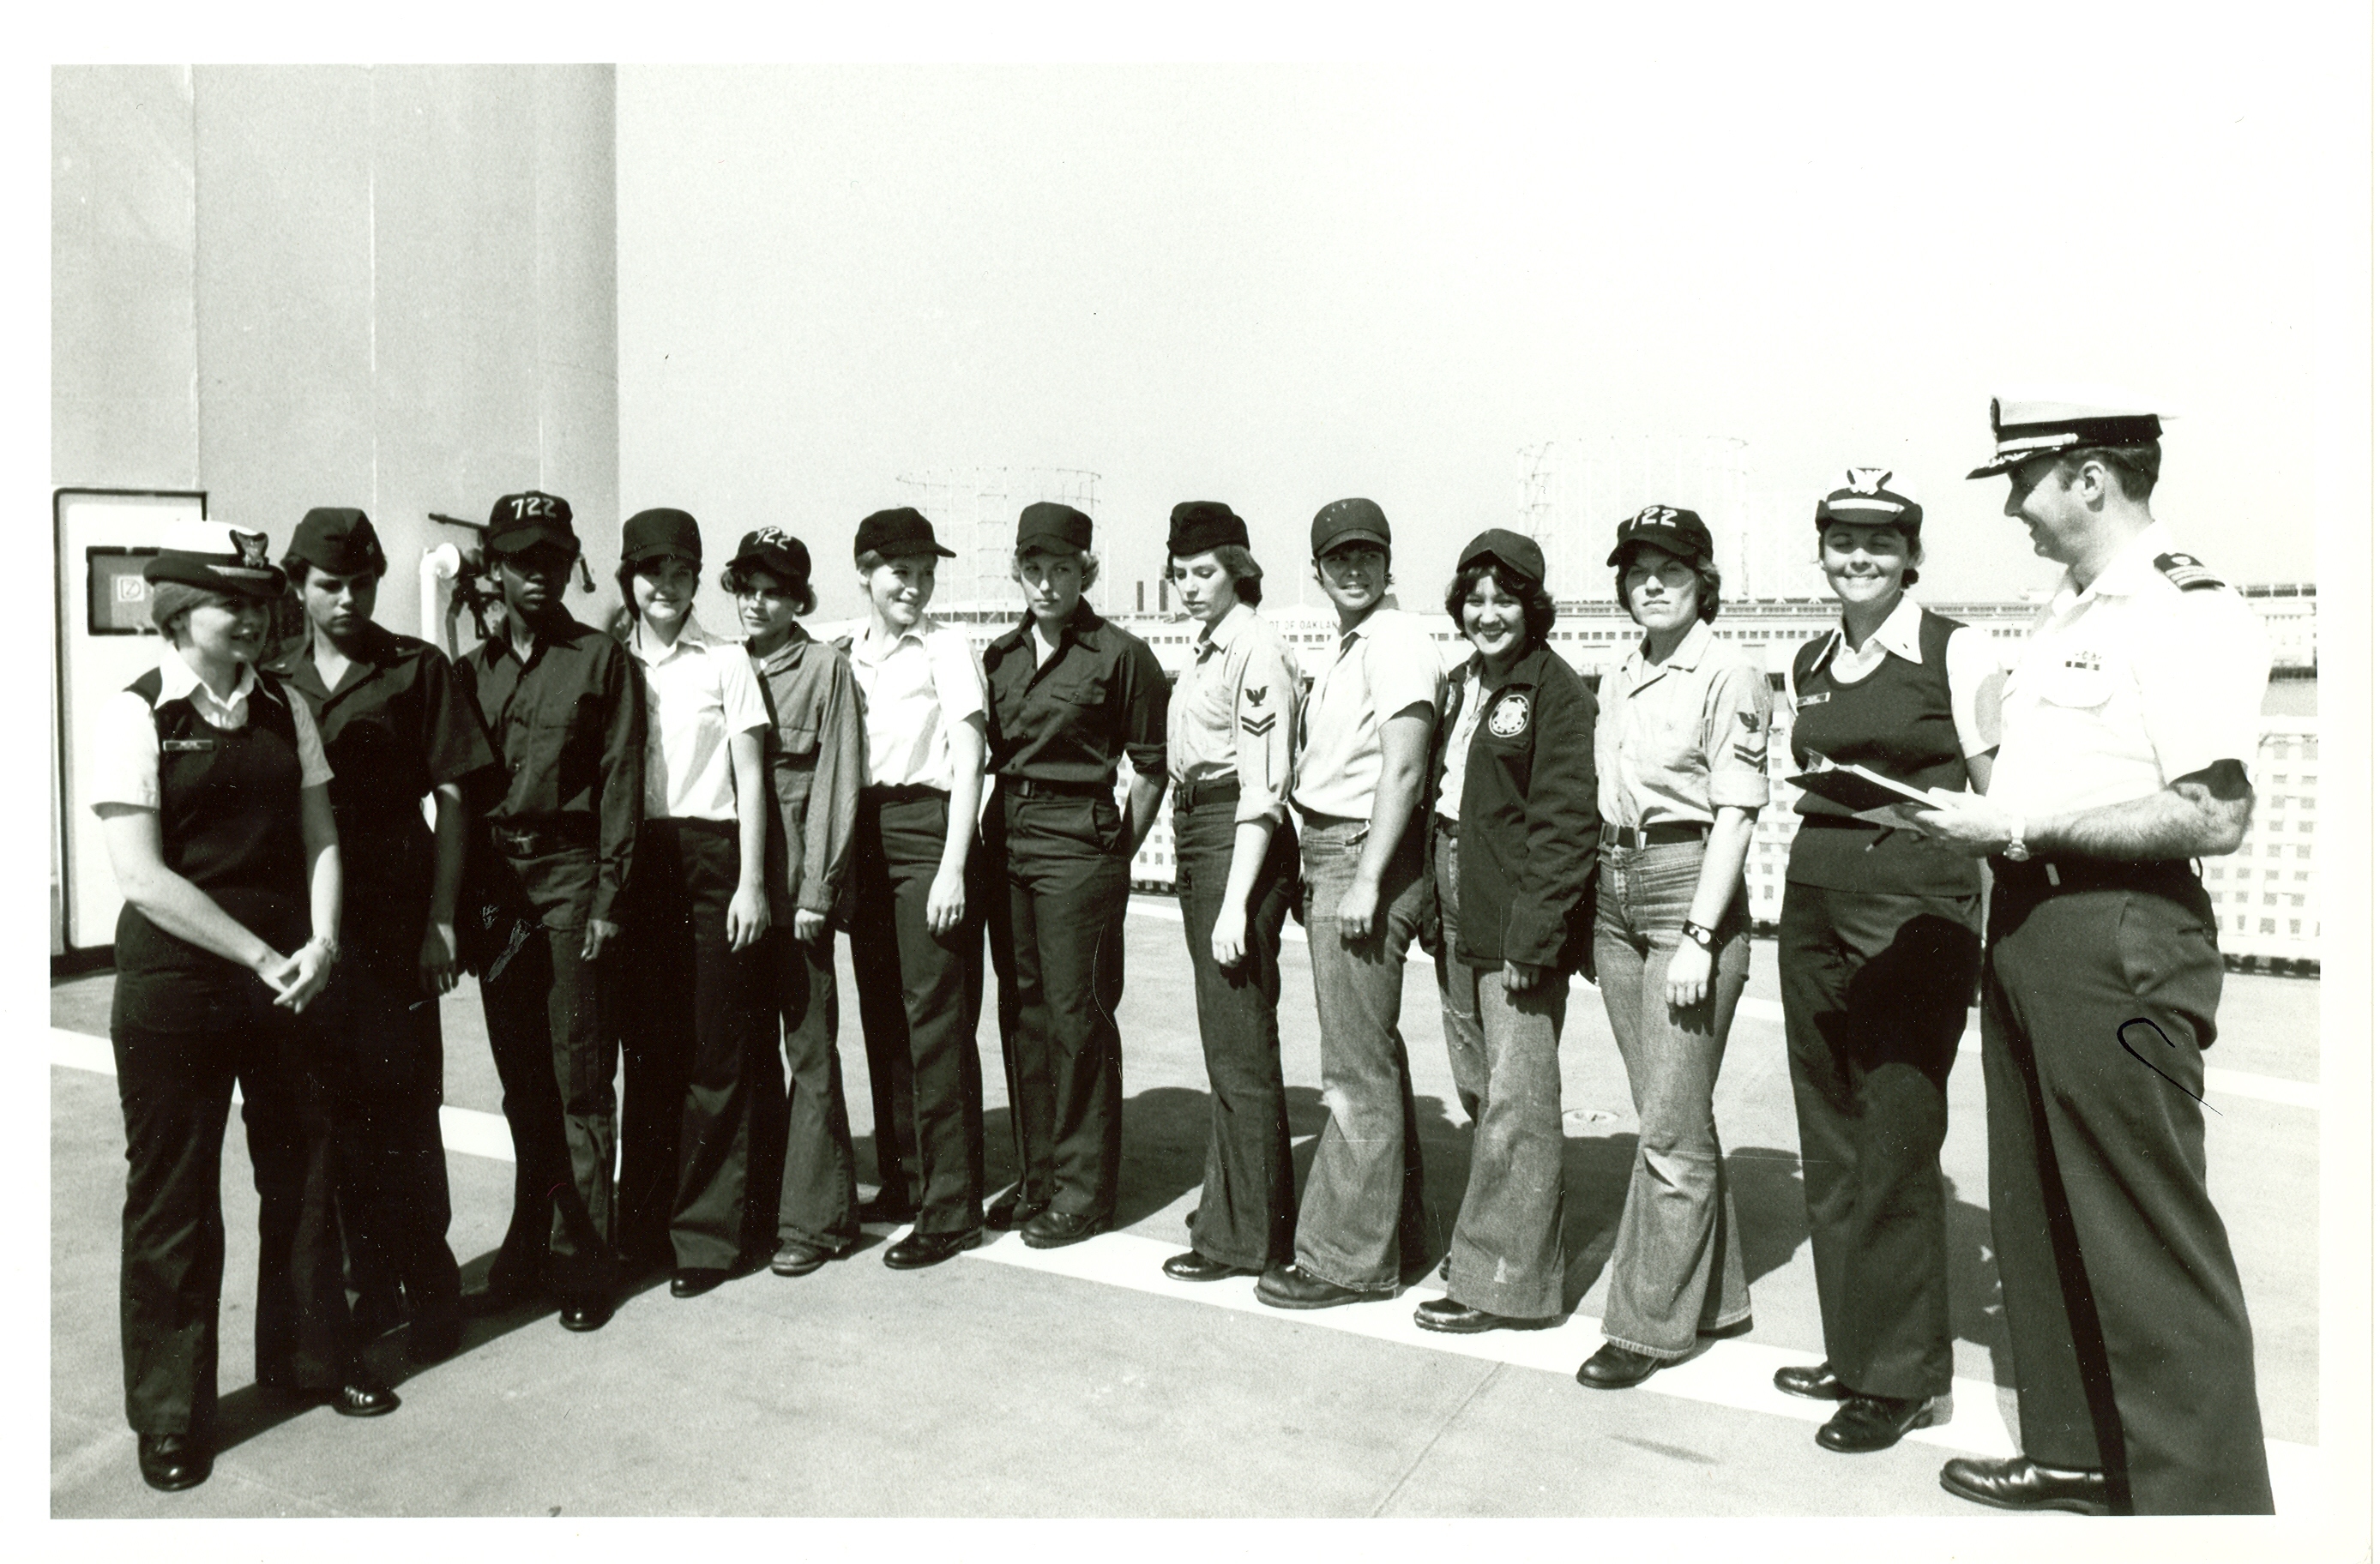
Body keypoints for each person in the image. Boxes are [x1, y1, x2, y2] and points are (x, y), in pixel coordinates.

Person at [1900, 396, 2274, 1516]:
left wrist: (2018, 830)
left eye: (2020, 482)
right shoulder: (2066, 606)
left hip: (2115, 933)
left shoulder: (2179, 608)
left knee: (2145, 1244)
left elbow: (2209, 813)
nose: (2010, 507)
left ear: (2086, 479)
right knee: (2038, 1211)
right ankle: (2070, 1451)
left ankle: (2200, 1513)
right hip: (2026, 929)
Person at [92, 522, 398, 1494]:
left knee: (306, 1175)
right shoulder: (135, 715)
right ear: (182, 615)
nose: (258, 624)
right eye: (237, 608)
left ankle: (310, 1358)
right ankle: (173, 1416)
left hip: (290, 979)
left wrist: (326, 943)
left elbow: (321, 833)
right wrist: (265, 953)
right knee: (175, 1202)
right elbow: (141, 876)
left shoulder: (283, 708)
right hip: (179, 988)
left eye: (266, 607)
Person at [1768, 472, 2001, 1453]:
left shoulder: (1958, 648)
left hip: (1915, 911)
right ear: (1820, 551)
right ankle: (1854, 1347)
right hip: (1816, 899)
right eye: (1841, 541)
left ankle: (1900, 1379)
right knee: (1830, 1133)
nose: (1858, 558)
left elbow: (1999, 791)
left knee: (1896, 1130)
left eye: (1880, 542)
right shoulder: (1809, 657)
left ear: (1912, 556)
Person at [269, 508, 495, 1368]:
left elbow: (456, 798)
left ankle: (430, 1291)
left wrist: (442, 918)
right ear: (299, 586)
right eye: (330, 585)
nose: (348, 599)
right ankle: (368, 1291)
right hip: (312, 929)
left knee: (405, 1108)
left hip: (399, 922)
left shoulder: (416, 668)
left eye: (362, 583)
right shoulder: (273, 676)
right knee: (334, 1116)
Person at [1576, 505, 1771, 1390]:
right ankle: (1718, 1300)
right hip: (1616, 889)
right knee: (1670, 1110)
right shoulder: (1620, 669)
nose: (1651, 584)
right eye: (1637, 570)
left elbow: (1737, 810)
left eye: (1672, 570)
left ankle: (1649, 1325)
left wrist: (1699, 931)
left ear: (1704, 582)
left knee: (1666, 1126)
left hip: (1688, 885)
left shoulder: (1730, 670)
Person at [452, 490, 643, 1332]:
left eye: (553, 558)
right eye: (522, 558)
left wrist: (609, 896)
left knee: (578, 1079)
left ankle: (584, 1258)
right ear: (494, 567)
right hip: (497, 891)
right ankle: (529, 1242)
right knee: (521, 1084)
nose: (539, 572)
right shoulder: (468, 673)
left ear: (571, 566)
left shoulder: (601, 662)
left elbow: (620, 785)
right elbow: (455, 800)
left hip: (570, 880)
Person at [1260, 497, 1442, 1309]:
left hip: (1362, 854)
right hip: (1333, 849)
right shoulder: (1346, 645)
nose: (1355, 569)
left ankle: (1344, 1261)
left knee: (1353, 1070)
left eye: (1368, 556)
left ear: (1388, 561)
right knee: (1372, 1055)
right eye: (1339, 559)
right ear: (1318, 570)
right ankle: (1400, 1235)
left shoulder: (1395, 641)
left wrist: (1367, 879)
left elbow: (1402, 770)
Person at [1416, 529, 1600, 1334]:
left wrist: (1534, 938)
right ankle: (1494, 1240)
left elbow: (1563, 825)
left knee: (1518, 1098)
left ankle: (1508, 1282)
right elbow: (1442, 803)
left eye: (1505, 600)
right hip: (1457, 902)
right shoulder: (1461, 686)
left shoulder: (1555, 693)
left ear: (1533, 607)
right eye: (1475, 600)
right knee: (1479, 1083)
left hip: (1513, 915)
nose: (1487, 614)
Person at [983, 502, 1170, 1249]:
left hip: (1078, 843)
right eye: (1033, 569)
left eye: (1061, 569)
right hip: (1009, 840)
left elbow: (1152, 770)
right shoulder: (999, 657)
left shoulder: (1120, 655)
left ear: (1084, 571)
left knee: (1077, 1018)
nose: (1046, 583)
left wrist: (1113, 854)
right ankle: (1038, 1180)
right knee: (1024, 1014)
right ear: (1018, 572)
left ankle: (1083, 1192)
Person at [610, 508, 775, 1299]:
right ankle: (639, 1231)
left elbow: (751, 779)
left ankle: (707, 1239)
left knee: (715, 1051)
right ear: (629, 578)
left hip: (714, 859)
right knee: (648, 1054)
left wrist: (750, 882)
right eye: (653, 574)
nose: (667, 589)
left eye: (681, 574)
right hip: (639, 862)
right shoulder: (610, 661)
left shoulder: (725, 661)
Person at [1156, 502, 1303, 1283]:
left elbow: (1262, 787)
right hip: (1201, 833)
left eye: (1204, 571)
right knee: (1226, 1040)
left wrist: (1236, 901)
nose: (1188, 586)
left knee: (1239, 1042)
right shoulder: (1209, 647)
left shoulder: (1254, 650)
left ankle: (1248, 1237)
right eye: (1179, 573)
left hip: (1234, 841)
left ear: (1239, 571)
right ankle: (1238, 1211)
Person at [844, 507, 992, 1269]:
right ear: (865, 571)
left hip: (927, 830)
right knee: (883, 1018)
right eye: (901, 571)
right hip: (863, 836)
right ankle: (904, 1178)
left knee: (935, 1020)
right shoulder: (847, 653)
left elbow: (969, 762)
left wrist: (953, 867)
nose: (915, 585)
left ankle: (951, 1206)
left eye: (926, 572)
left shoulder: (946, 647)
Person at [726, 526, 866, 1278]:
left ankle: (814, 1224)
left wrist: (819, 890)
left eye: (774, 590)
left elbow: (838, 783)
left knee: (809, 1056)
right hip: (736, 902)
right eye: (747, 587)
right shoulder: (722, 664)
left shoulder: (824, 670)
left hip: (797, 902)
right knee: (742, 1057)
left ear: (799, 599)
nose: (757, 602)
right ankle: (751, 1212)